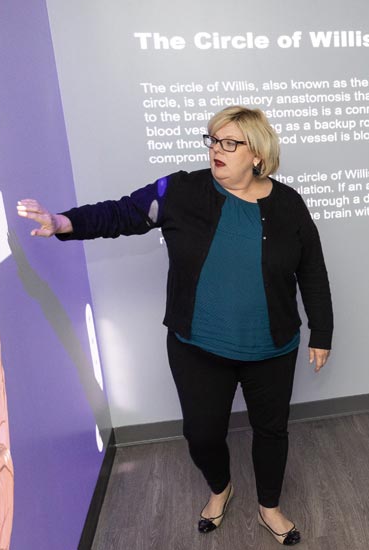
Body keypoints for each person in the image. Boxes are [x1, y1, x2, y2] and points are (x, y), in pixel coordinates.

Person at [17, 106, 332, 546]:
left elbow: (312, 269)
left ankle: (269, 507)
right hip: (197, 346)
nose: (215, 151)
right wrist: (65, 223)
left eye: (229, 143)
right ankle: (222, 488)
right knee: (201, 434)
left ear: (258, 155)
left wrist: (322, 332)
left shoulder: (289, 205)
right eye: (212, 140)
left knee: (271, 430)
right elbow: (124, 213)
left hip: (271, 348)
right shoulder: (182, 190)